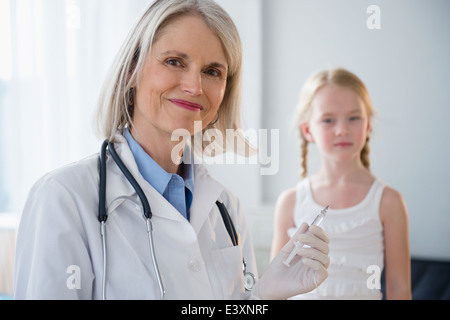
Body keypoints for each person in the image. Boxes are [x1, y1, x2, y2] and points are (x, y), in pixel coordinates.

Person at [14, 0, 330, 300]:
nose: (195, 87)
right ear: (131, 71)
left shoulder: (226, 208)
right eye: (174, 61)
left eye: (212, 71)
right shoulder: (63, 198)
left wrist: (264, 295)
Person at [270, 68, 411, 300]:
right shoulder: (290, 202)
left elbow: (399, 290)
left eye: (354, 118)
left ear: (367, 126)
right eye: (328, 120)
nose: (342, 130)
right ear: (308, 130)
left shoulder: (389, 202)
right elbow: (275, 287)